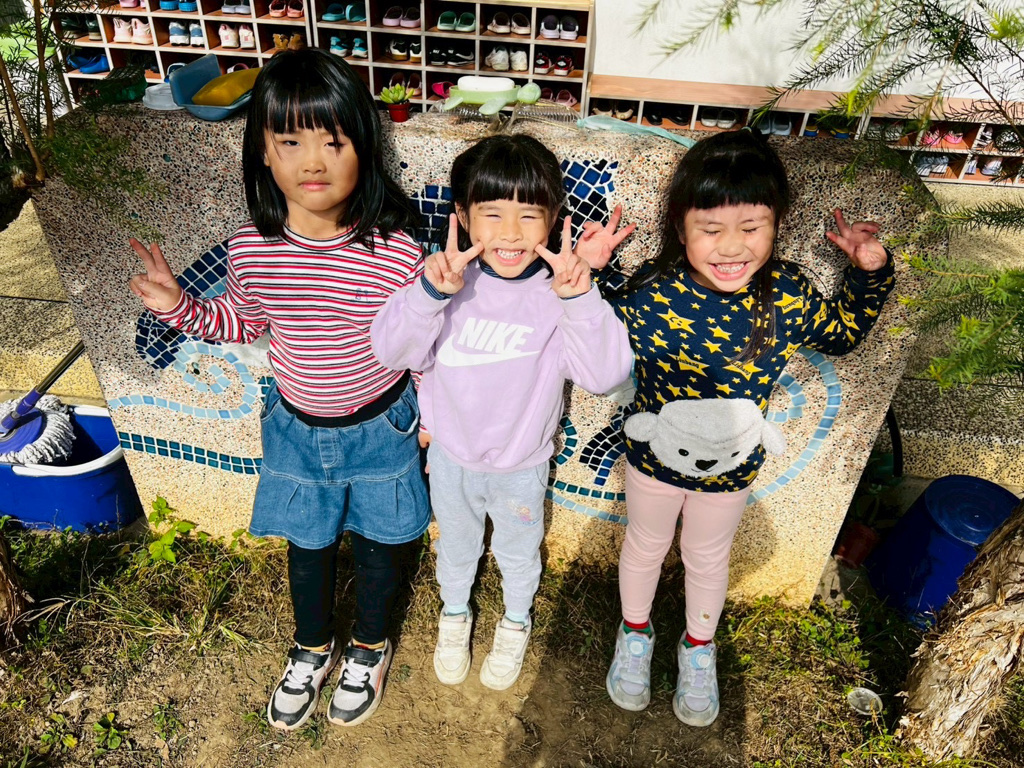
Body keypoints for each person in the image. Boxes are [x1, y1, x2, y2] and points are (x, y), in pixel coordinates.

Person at [128, 49, 429, 731]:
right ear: (263, 151)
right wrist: (179, 306)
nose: (313, 161)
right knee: (308, 545)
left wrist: (433, 420)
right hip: (295, 430)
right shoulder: (252, 249)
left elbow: (421, 349)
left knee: (381, 546)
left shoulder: (397, 253)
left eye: (334, 141)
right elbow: (243, 320)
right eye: (290, 141)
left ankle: (370, 647)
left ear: (364, 149)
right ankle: (312, 647)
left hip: (383, 426)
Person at [589, 128, 894, 726]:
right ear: (680, 228)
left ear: (777, 225)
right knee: (644, 545)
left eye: (752, 227)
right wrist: (592, 272)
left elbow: (842, 336)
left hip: (731, 470)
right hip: (652, 463)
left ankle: (698, 648)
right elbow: (596, 334)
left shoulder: (788, 294)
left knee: (708, 556)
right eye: (711, 229)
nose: (732, 247)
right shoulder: (650, 290)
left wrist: (870, 272)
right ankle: (635, 634)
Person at [371, 134, 634, 691]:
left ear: (553, 220)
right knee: (456, 545)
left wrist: (581, 297)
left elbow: (605, 375)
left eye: (528, 215)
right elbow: (392, 352)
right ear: (463, 217)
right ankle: (454, 614)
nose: (511, 233)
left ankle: (515, 621)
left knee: (518, 551)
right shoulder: (445, 283)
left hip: (522, 466)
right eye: (492, 214)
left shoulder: (559, 294)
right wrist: (428, 295)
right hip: (451, 460)